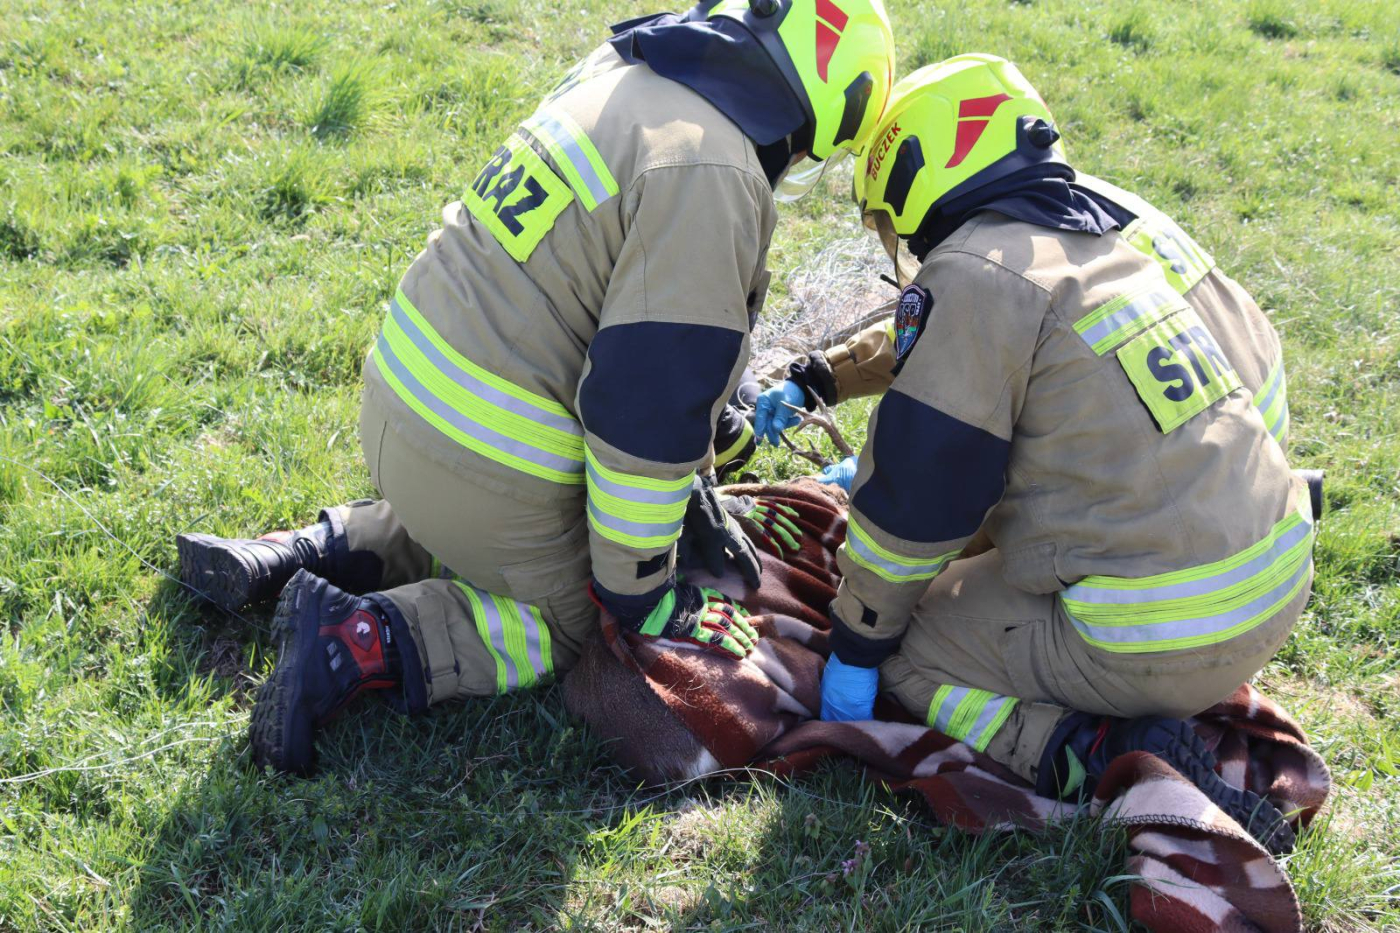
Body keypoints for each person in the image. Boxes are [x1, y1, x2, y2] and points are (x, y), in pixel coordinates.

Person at [176, 0, 896, 775]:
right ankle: (355, 636)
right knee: (576, 619)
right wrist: (644, 594)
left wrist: (712, 444)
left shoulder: (624, 72)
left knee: (501, 525)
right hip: (485, 457)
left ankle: (300, 551)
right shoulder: (715, 174)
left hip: (401, 401)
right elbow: (643, 421)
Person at [812, 54, 1309, 853]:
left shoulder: (973, 268)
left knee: (912, 652)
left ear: (914, 176)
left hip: (1160, 634)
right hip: (1277, 582)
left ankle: (1102, 752)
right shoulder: (1113, 236)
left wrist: (857, 638)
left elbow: (917, 500)